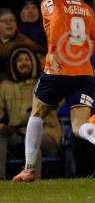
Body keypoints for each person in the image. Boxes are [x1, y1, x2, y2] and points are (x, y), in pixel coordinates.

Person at [12, 0, 95, 182]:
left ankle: (29, 169)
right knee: (80, 124)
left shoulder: (47, 5)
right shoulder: (87, 9)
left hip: (56, 69)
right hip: (84, 72)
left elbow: (52, 35)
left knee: (37, 113)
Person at [0, 47, 61, 179]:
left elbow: (57, 103)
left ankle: (33, 180)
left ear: (33, 63)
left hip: (47, 132)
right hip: (17, 131)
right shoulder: (5, 86)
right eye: (20, 60)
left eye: (27, 59)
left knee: (34, 142)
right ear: (13, 64)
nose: (24, 63)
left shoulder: (43, 83)